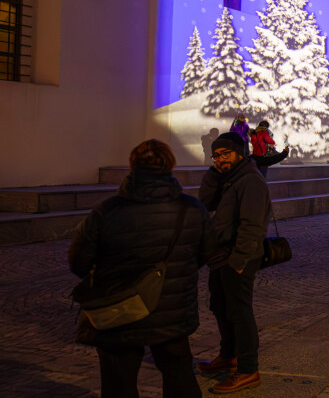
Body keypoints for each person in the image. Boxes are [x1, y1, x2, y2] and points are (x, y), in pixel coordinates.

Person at [68, 140, 212, 398]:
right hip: (172, 311)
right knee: (179, 375)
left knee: (118, 383)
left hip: (120, 310)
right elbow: (206, 255)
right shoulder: (193, 209)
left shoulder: (107, 211)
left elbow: (79, 263)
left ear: (132, 165)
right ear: (170, 165)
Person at [196, 132, 270, 393]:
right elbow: (203, 203)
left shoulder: (251, 181)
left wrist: (239, 260)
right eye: (215, 155)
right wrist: (215, 173)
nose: (219, 159)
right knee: (220, 306)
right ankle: (228, 355)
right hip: (220, 255)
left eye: (224, 154)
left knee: (239, 312)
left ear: (240, 152)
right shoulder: (227, 178)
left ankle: (248, 369)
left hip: (239, 256)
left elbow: (253, 224)